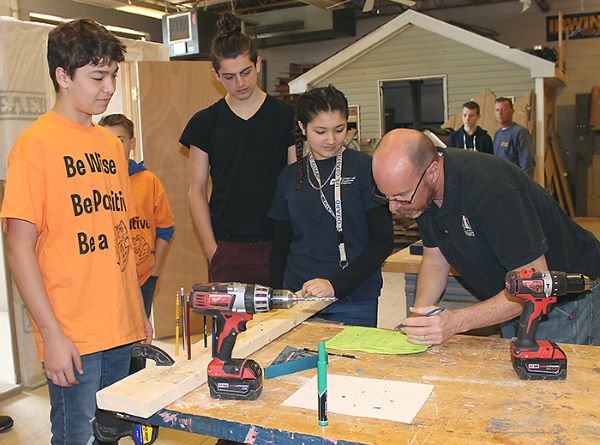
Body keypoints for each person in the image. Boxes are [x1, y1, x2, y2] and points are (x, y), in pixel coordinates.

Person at [1, 19, 152, 444]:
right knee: (76, 436)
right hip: (72, 332)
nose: (109, 87)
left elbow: (118, 231)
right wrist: (51, 333)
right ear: (62, 76)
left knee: (110, 434)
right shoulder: (35, 147)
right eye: (97, 76)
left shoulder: (109, 144)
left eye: (114, 76)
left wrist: (137, 308)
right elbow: (19, 249)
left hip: (118, 324)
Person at [372, 129, 600, 346]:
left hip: (566, 305)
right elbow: (435, 258)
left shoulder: (491, 191)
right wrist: (417, 319)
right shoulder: (421, 194)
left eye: (401, 197)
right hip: (515, 301)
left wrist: (456, 322)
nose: (393, 208)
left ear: (432, 172)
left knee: (548, 386)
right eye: (387, 197)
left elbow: (535, 284)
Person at [179, 13, 295, 287]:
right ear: (215, 75)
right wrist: (212, 249)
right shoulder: (204, 123)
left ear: (258, 64)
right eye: (229, 77)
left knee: (281, 328)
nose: (240, 83)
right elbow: (195, 189)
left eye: (246, 72)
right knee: (232, 330)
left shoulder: (286, 116)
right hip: (227, 247)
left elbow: (296, 184)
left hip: (280, 244)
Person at [269, 86, 394, 327]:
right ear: (303, 128)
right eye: (320, 131)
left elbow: (382, 241)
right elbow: (279, 247)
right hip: (299, 299)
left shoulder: (365, 168)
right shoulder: (288, 177)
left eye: (339, 129)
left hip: (354, 300)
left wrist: (336, 285)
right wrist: (277, 297)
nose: (331, 140)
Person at [99, 114, 175, 317]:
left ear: (132, 143)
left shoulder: (149, 181)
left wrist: (155, 271)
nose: (113, 146)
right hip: (107, 280)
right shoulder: (94, 182)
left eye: (120, 140)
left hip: (144, 278)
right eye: (107, 140)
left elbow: (165, 229)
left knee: (141, 336)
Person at [493, 97, 535, 177]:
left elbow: (527, 163)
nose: (500, 113)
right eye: (497, 110)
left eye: (504, 109)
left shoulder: (520, 132)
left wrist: (524, 185)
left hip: (515, 183)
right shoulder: (497, 134)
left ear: (512, 111)